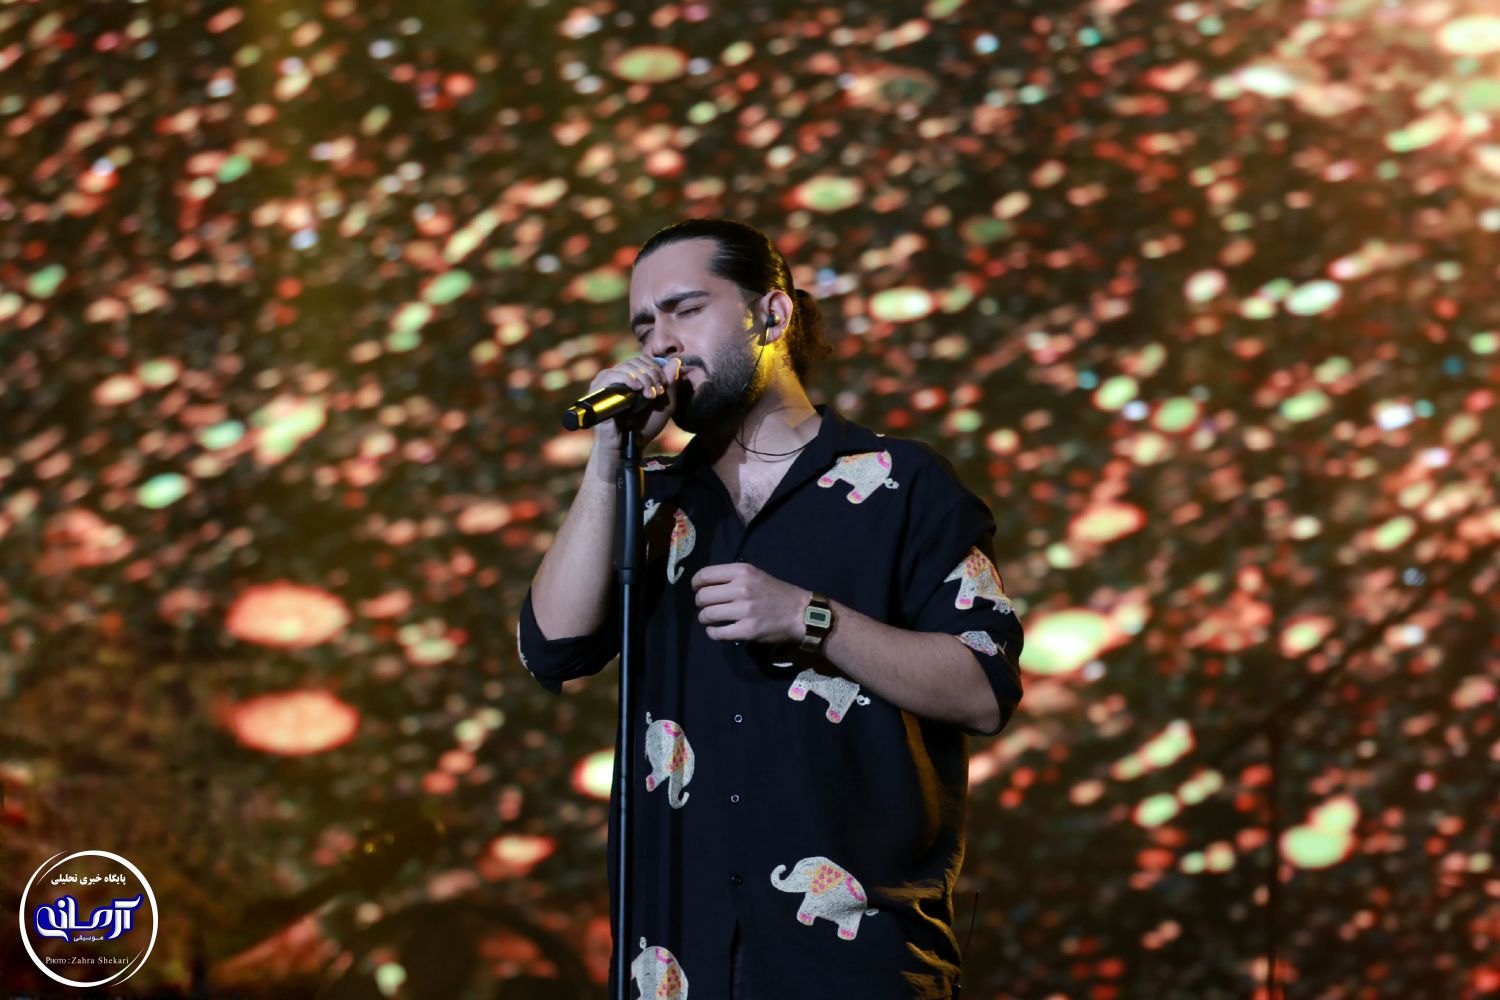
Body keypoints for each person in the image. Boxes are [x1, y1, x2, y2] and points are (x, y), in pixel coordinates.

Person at [518, 218, 1023, 999]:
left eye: (685, 309)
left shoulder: (903, 482)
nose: (661, 341)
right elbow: (551, 646)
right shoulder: (649, 501)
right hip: (675, 959)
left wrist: (812, 619)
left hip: (849, 962)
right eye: (643, 325)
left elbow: (984, 689)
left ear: (771, 315)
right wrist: (607, 463)